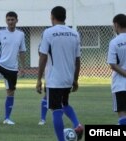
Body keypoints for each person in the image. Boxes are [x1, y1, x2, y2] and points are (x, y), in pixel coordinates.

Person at [36, 6, 83, 141]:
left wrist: (39, 79)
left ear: (52, 17)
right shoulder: (74, 34)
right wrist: (75, 79)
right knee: (64, 104)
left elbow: (43, 56)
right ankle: (77, 124)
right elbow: (77, 60)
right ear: (65, 17)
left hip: (54, 79)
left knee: (56, 110)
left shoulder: (49, 32)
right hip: (68, 78)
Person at [0, 11, 26, 125]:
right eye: (8, 19)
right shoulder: (0, 33)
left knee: (10, 92)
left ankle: (7, 118)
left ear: (17, 20)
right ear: (6, 21)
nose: (10, 22)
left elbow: (22, 51)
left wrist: (23, 67)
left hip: (12, 67)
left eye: (12, 19)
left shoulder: (21, 34)